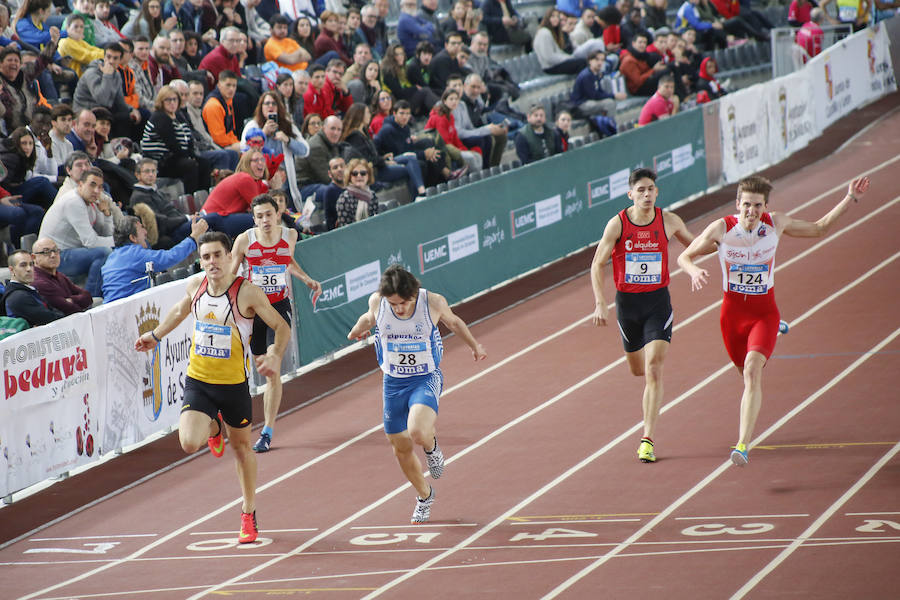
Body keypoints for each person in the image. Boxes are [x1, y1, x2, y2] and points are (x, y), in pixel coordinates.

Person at [677, 175, 871, 466]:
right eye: (746, 205)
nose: (751, 211)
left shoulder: (775, 223)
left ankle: (742, 445)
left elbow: (819, 228)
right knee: (743, 373)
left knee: (753, 372)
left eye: (757, 205)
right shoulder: (722, 229)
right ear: (737, 205)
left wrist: (849, 198)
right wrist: (693, 271)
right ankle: (771, 335)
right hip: (732, 316)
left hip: (763, 312)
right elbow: (684, 257)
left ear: (765, 206)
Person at [134, 230, 291, 543]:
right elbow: (181, 310)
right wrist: (156, 335)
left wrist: (274, 353)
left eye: (218, 255)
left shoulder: (246, 292)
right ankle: (214, 429)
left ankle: (248, 513)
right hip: (199, 381)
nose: (212, 262)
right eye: (205, 257)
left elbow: (280, 326)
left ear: (230, 257)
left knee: (242, 449)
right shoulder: (196, 285)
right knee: (189, 443)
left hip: (233, 385)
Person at [347, 264, 487, 523]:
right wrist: (357, 330)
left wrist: (475, 345)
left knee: (417, 432)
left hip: (425, 378)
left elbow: (454, 322)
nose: (398, 308)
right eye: (393, 304)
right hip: (393, 384)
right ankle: (425, 495)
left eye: (402, 303)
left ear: (413, 293)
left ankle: (432, 447)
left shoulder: (431, 302)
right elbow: (369, 317)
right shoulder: (379, 302)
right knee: (400, 448)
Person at [590, 168, 695, 463]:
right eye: (641, 190)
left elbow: (696, 244)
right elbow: (597, 264)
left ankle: (647, 439)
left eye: (651, 189)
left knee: (653, 368)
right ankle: (648, 418)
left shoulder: (669, 220)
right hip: (627, 306)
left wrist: (731, 243)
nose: (647, 195)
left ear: (657, 192)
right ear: (630, 194)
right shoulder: (618, 224)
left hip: (657, 303)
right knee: (637, 370)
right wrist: (601, 302)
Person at [230, 194, 321, 452]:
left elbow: (286, 261)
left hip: (279, 307)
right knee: (260, 366)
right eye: (259, 216)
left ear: (277, 213)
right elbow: (230, 274)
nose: (265, 220)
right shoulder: (244, 241)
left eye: (268, 215)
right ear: (254, 218)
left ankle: (267, 431)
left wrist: (305, 278)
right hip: (253, 310)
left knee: (273, 364)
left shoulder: (290, 235)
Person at [39, 166, 115, 297]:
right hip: (55, 256)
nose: (97, 191)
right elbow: (90, 242)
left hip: (72, 251)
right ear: (80, 184)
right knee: (104, 253)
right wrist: (118, 241)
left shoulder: (91, 201)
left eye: (100, 187)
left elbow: (105, 233)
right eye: (92, 185)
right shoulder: (73, 202)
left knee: (110, 250)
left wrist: (107, 214)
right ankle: (91, 298)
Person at [101, 214, 207, 301]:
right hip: (128, 309)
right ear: (133, 238)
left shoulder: (110, 259)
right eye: (141, 228)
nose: (146, 232)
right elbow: (170, 257)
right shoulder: (135, 254)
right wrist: (194, 237)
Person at [142, 84, 210, 194]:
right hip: (161, 161)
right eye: (168, 100)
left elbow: (189, 140)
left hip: (176, 158)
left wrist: (192, 155)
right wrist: (189, 157)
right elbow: (172, 144)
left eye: (175, 99)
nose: (172, 103)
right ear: (161, 102)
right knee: (190, 166)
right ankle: (190, 199)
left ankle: (202, 199)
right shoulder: (159, 117)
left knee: (204, 163)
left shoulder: (179, 116)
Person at [0, 250, 65, 326]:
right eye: (23, 265)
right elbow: (51, 318)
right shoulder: (18, 297)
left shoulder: (27, 290)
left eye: (31, 264)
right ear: (12, 270)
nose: (29, 269)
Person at [31, 237, 93, 314]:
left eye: (55, 250)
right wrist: (74, 301)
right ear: (34, 257)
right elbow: (70, 309)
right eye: (46, 252)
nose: (53, 255)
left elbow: (87, 296)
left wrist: (71, 300)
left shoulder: (58, 275)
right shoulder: (38, 281)